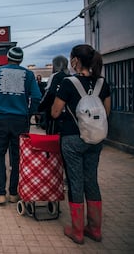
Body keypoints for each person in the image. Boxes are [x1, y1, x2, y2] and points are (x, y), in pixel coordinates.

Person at [51, 44, 111, 244]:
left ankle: (77, 231)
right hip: (96, 139)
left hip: (72, 138)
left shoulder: (69, 83)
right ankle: (95, 229)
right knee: (91, 180)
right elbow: (106, 113)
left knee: (75, 181)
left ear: (75, 60)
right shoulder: (103, 83)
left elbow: (55, 112)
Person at [0, 46, 41, 205]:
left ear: (7, 58)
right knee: (17, 157)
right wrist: (29, 113)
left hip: (0, 120)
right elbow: (37, 97)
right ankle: (13, 193)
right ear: (21, 60)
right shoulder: (29, 74)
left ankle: (0, 193)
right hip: (20, 121)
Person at [38, 55, 70, 134]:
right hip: (68, 115)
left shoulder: (55, 76)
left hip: (54, 114)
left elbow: (49, 94)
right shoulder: (70, 77)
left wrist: (39, 107)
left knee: (52, 140)